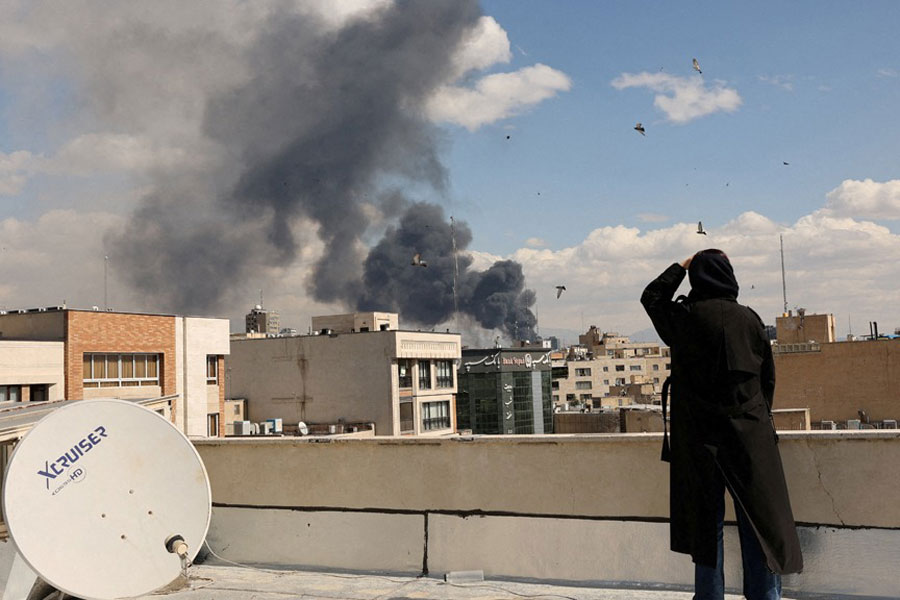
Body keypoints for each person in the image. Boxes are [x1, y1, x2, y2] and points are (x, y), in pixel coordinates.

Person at [641, 249, 803, 600]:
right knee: (759, 524)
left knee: (706, 530)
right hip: (750, 436)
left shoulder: (684, 318)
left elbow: (651, 297)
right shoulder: (750, 320)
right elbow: (767, 381)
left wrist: (682, 267)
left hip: (700, 439)